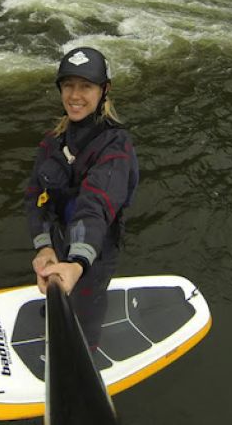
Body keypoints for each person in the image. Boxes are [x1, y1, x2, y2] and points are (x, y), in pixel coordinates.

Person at [24, 47, 139, 345]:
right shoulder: (52, 141)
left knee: (86, 310)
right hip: (59, 239)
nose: (75, 96)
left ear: (104, 90)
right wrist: (44, 247)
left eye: (86, 86)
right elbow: (35, 195)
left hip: (95, 250)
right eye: (68, 86)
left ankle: (86, 348)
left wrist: (77, 263)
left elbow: (96, 205)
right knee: (58, 296)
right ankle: (56, 320)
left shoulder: (115, 146)